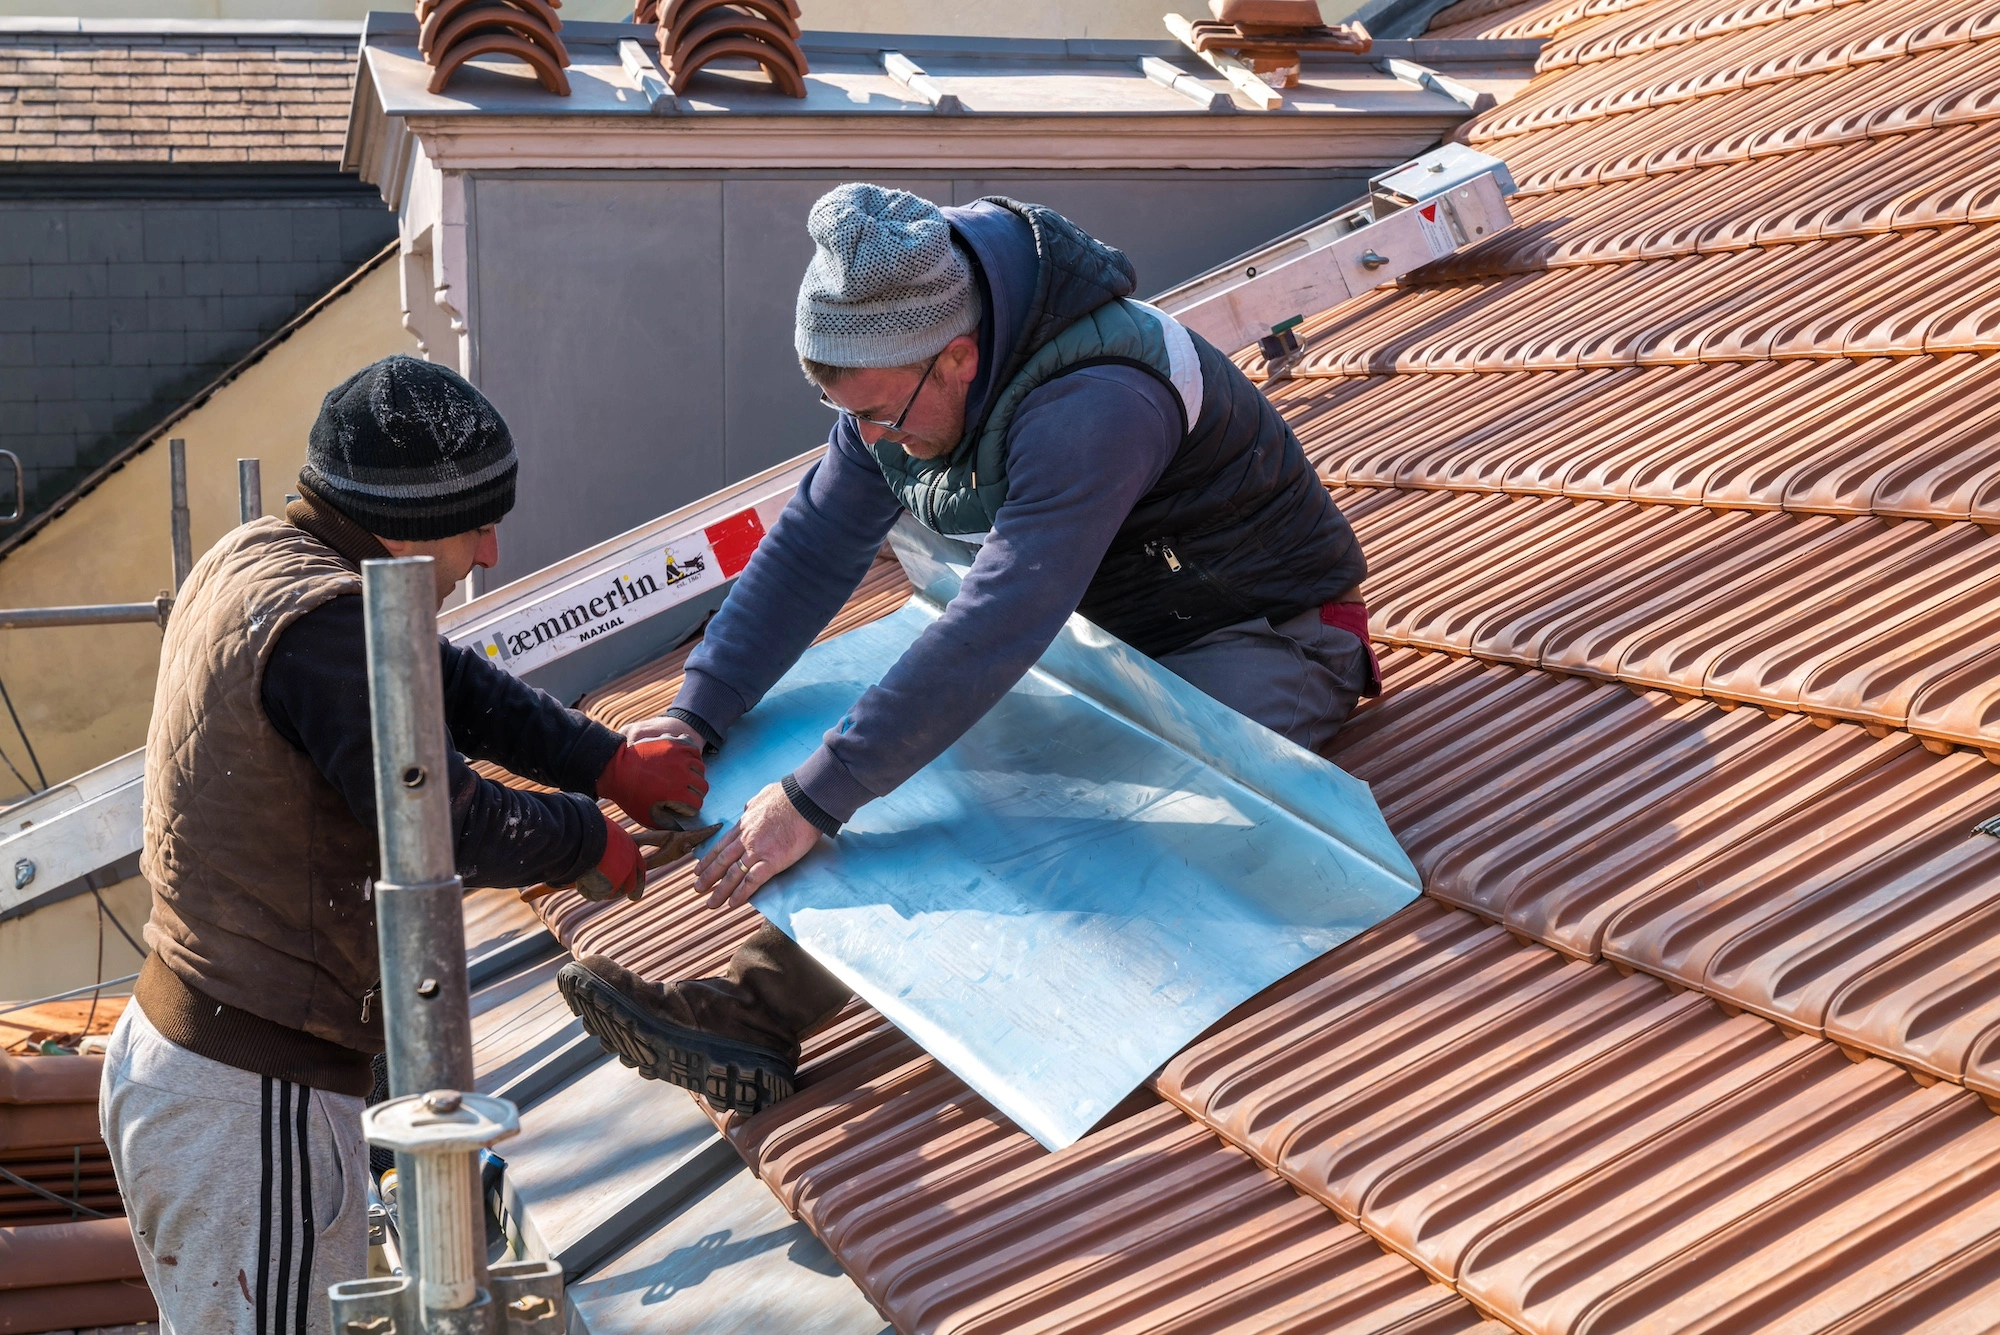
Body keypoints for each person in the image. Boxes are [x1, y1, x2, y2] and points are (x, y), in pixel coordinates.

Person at [559, 184, 1373, 1116]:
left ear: (959, 356)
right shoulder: (899, 372)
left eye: (879, 415)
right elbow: (815, 545)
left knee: (1071, 812)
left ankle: (757, 1008)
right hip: (1109, 646)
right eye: (848, 415)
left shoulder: (1098, 400)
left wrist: (815, 797)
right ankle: (750, 1014)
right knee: (934, 769)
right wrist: (695, 711)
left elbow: (1001, 616)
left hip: (1263, 637)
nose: (867, 438)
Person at [99, 355, 707, 1335]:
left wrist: (601, 760)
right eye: (476, 524)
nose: (492, 550)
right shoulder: (323, 628)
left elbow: (445, 684)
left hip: (202, 1067)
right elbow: (440, 818)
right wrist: (585, 839)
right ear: (414, 524)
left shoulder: (271, 562)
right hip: (255, 1105)